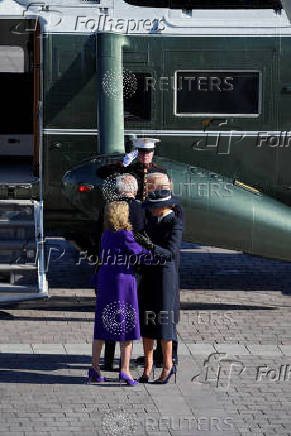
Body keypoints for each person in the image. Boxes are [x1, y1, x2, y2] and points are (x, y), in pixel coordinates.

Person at [88, 201, 152, 385]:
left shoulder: (106, 234)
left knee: (101, 326)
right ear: (124, 215)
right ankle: (124, 370)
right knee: (127, 325)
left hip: (105, 280)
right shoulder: (125, 234)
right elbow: (140, 254)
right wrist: (157, 254)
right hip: (123, 283)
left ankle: (95, 368)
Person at [134, 190, 184, 384]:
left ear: (164, 207)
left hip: (165, 276)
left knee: (164, 322)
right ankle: (147, 367)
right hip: (149, 274)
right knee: (147, 322)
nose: (151, 210)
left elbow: (171, 253)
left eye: (154, 206)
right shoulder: (151, 220)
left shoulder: (174, 222)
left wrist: (151, 247)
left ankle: (167, 365)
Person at [102, 174, 145, 370]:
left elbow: (98, 234)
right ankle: (125, 364)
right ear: (134, 190)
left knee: (110, 312)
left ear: (118, 190)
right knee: (129, 314)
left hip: (108, 268)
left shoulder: (108, 207)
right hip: (130, 270)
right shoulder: (139, 208)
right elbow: (143, 237)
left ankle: (108, 360)